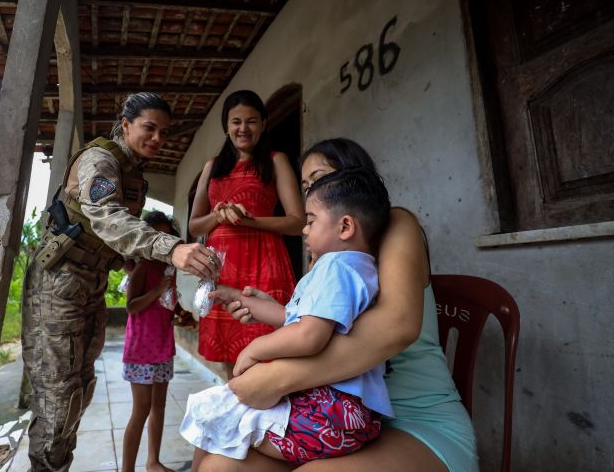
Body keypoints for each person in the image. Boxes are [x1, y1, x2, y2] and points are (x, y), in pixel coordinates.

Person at [200, 138, 479, 472]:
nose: (314, 189)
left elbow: (397, 328)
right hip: (334, 417)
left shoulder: (396, 224)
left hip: (414, 419)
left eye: (320, 177)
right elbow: (321, 326)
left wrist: (274, 377)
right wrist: (283, 312)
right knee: (218, 461)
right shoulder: (328, 255)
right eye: (307, 185)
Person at [22, 92, 220, 472]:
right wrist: (170, 248)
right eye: (149, 128)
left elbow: (116, 238)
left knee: (80, 386)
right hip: (59, 285)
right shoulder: (101, 159)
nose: (158, 139)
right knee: (58, 396)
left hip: (90, 285)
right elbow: (109, 219)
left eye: (164, 132)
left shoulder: (134, 176)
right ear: (126, 124)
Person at [181, 167, 394, 467]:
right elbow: (294, 318)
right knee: (217, 424)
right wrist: (241, 298)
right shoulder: (357, 267)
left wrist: (253, 349)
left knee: (214, 419)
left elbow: (309, 336)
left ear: (345, 226)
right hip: (345, 416)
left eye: (311, 221)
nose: (304, 230)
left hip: (328, 413)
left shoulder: (335, 267)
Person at [188, 90, 304, 379]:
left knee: (268, 352)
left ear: (264, 123)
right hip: (222, 269)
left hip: (263, 264)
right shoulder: (212, 167)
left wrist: (251, 221)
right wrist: (217, 216)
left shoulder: (277, 160)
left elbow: (297, 221)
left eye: (251, 121)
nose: (243, 128)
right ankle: (238, 415)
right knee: (230, 358)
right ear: (226, 126)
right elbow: (194, 226)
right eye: (236, 121)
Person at [121, 211, 181, 472]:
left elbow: (167, 306)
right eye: (158, 236)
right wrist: (158, 291)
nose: (163, 242)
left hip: (162, 346)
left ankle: (153, 461)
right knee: (141, 409)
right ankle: (127, 469)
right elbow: (132, 307)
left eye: (168, 236)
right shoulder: (143, 268)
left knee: (159, 405)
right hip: (141, 351)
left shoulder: (169, 270)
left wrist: (180, 312)